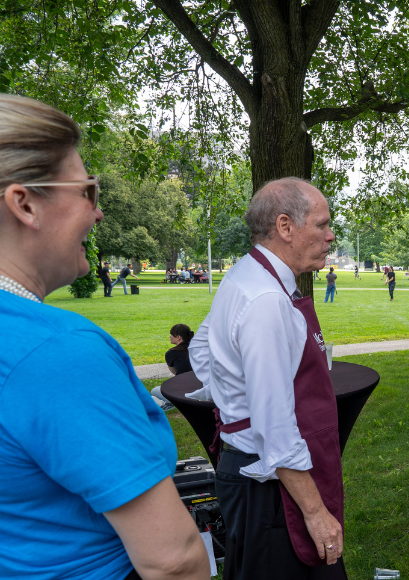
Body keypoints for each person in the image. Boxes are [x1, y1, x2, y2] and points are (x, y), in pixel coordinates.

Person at [0, 94, 209, 579]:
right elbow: (172, 559)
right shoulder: (57, 352)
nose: (97, 215)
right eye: (87, 192)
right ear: (25, 203)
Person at [188, 177, 345, 579]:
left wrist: (233, 397)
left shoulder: (245, 274)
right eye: (323, 224)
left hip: (247, 474)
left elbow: (200, 349)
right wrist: (316, 513)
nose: (330, 236)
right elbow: (276, 430)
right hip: (270, 488)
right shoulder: (267, 299)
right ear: (285, 227)